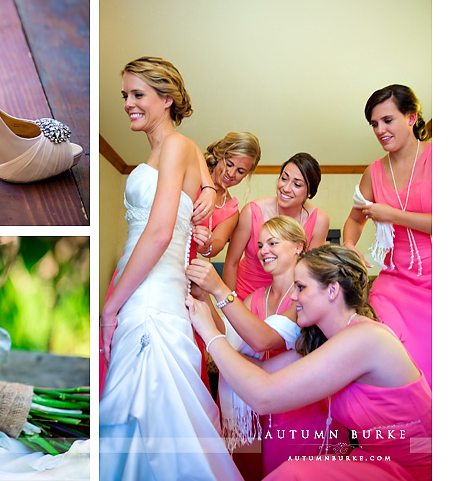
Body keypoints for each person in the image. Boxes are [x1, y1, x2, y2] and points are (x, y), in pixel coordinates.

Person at [99, 57, 242, 481]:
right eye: (125, 94)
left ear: (167, 99)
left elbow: (160, 233)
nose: (127, 103)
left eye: (138, 94)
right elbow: (198, 181)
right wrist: (211, 187)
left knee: (149, 412)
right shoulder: (176, 149)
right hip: (146, 283)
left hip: (148, 292)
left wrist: (110, 308)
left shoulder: (177, 145)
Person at [187, 244, 431, 480]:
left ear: (333, 290)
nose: (292, 297)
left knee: (293, 474)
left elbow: (264, 397)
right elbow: (263, 370)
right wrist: (208, 314)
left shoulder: (366, 338)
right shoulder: (329, 340)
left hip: (414, 466)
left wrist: (211, 335)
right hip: (375, 459)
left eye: (301, 287)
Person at [187, 217, 346, 479]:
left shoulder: (307, 297)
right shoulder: (255, 297)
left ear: (298, 246)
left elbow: (263, 339)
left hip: (297, 409)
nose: (263, 251)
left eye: (273, 243)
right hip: (254, 408)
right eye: (260, 245)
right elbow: (229, 335)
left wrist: (219, 289)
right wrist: (204, 295)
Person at [343, 84, 432, 387]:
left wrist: (391, 215)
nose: (380, 129)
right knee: (385, 360)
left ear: (411, 117)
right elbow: (355, 220)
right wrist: (349, 245)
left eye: (387, 120)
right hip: (393, 282)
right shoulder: (373, 172)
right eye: (374, 124)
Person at [223, 153, 330, 301]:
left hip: (288, 298)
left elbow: (309, 272)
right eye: (284, 178)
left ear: (310, 192)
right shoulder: (252, 211)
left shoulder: (319, 221)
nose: (286, 188)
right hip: (246, 293)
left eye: (297, 184)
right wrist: (230, 303)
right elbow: (231, 263)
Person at [193, 132, 262, 259]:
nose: (230, 173)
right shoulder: (193, 176)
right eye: (229, 164)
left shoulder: (231, 210)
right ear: (219, 156)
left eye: (240, 171)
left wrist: (207, 246)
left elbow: (218, 243)